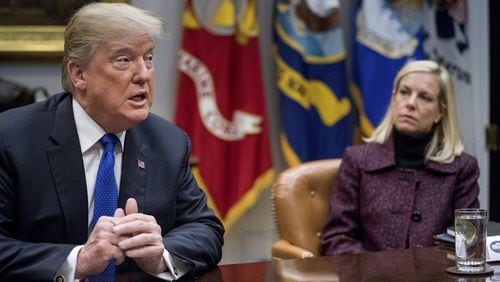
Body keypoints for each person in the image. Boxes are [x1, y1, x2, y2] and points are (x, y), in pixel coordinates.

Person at [0, 2, 224, 281]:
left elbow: (205, 228)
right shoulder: (12, 139)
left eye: (149, 58)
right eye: (124, 60)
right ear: (79, 74)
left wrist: (160, 255)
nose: (143, 74)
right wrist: (77, 261)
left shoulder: (168, 143)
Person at [320, 60, 479, 255]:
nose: (410, 103)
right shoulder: (357, 160)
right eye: (404, 92)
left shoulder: (462, 168)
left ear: (440, 112)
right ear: (394, 99)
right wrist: (381, 272)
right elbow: (337, 239)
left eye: (425, 97)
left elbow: (467, 243)